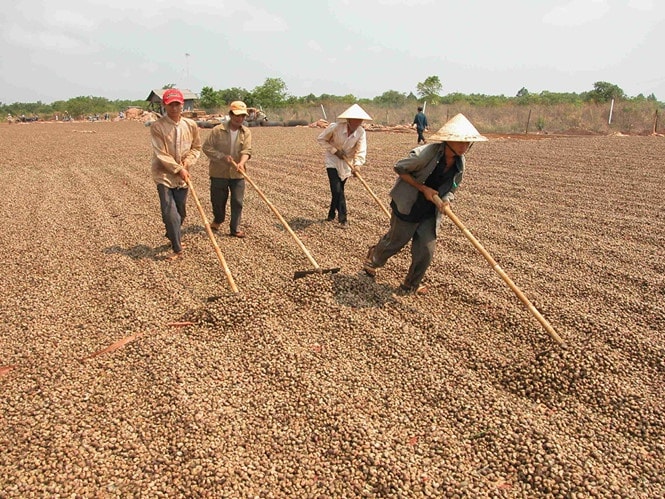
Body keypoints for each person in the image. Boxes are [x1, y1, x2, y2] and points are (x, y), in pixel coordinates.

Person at [363, 113, 487, 294]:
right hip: (408, 203)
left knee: (426, 250)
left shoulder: (461, 163)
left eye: (467, 143)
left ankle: (410, 284)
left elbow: (453, 187)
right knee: (396, 241)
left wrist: (446, 200)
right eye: (460, 142)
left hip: (430, 209)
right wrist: (423, 189)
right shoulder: (425, 154)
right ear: (448, 141)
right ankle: (374, 258)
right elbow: (399, 168)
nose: (464, 146)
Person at [150, 88, 202, 260]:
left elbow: (196, 148)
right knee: (169, 212)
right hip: (164, 174)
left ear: (182, 105)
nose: (174, 108)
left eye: (177, 104)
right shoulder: (158, 126)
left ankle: (172, 235)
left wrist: (187, 163)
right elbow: (161, 153)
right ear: (165, 106)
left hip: (183, 176)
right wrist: (178, 168)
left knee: (181, 213)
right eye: (170, 105)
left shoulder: (191, 125)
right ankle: (177, 248)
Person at [316, 103, 372, 227]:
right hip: (332, 161)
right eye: (355, 120)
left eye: (360, 120)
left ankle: (331, 214)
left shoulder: (361, 132)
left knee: (339, 189)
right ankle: (343, 219)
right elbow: (321, 139)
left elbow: (361, 149)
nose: (357, 123)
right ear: (348, 120)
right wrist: (335, 151)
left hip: (347, 162)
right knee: (337, 189)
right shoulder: (335, 127)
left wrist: (357, 165)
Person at [202, 101, 252, 238]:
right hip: (218, 173)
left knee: (237, 201)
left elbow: (247, 150)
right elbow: (206, 147)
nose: (240, 118)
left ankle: (234, 229)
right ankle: (218, 219)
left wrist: (241, 163)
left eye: (242, 116)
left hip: (237, 174)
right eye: (237, 115)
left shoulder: (246, 132)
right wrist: (222, 157)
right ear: (230, 114)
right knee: (218, 200)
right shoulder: (217, 130)